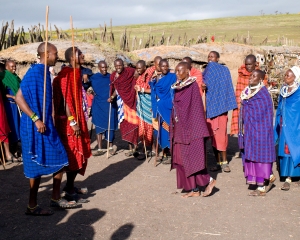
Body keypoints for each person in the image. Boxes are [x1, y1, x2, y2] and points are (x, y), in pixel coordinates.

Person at [15, 42, 77, 215]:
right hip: (33, 126)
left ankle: (55, 198)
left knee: (61, 159)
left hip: (46, 125)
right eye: (55, 53)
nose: (57, 56)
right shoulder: (35, 72)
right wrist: (36, 119)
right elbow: (19, 98)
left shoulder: (44, 73)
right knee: (35, 167)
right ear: (46, 54)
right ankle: (32, 206)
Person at [170, 62, 216, 197]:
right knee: (181, 158)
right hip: (180, 127)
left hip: (192, 128)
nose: (178, 74)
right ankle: (194, 189)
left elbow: (195, 109)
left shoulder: (192, 87)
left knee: (193, 158)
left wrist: (190, 128)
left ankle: (209, 180)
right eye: (176, 71)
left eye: (180, 71)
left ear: (187, 72)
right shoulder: (178, 87)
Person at [53, 47, 91, 203]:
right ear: (71, 58)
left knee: (79, 152)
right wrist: (73, 122)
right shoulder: (66, 75)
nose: (82, 55)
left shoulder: (76, 73)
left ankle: (70, 185)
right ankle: (68, 189)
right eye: (79, 53)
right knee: (74, 153)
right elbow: (67, 100)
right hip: (69, 121)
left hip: (76, 118)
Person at [238, 70, 275, 196]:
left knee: (261, 156)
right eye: (251, 75)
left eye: (254, 76)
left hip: (261, 130)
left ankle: (263, 184)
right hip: (249, 130)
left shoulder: (263, 94)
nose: (250, 78)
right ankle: (255, 181)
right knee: (251, 154)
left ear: (260, 79)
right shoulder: (247, 92)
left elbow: (264, 113)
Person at [202, 51, 237, 172]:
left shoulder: (224, 70)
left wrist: (224, 103)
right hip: (210, 108)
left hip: (221, 108)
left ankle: (225, 162)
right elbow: (202, 84)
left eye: (212, 56)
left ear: (218, 59)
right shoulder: (206, 71)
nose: (210, 58)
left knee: (221, 136)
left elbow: (227, 87)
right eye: (209, 56)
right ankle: (218, 162)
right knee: (213, 136)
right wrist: (203, 87)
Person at [274, 66, 300, 191]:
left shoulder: (298, 92)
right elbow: (280, 106)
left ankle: (290, 177)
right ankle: (284, 172)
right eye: (285, 75)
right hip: (283, 124)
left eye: (288, 76)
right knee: (284, 149)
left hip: (295, 125)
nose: (285, 77)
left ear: (295, 77)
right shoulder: (283, 90)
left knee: (291, 149)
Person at [230, 54, 267, 135]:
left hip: (255, 108)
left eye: (250, 64)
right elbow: (238, 94)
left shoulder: (260, 75)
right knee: (243, 131)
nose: (248, 66)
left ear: (255, 64)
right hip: (243, 106)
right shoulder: (241, 75)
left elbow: (263, 94)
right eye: (246, 64)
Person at [109, 58, 139, 157]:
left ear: (123, 65)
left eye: (120, 65)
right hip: (122, 104)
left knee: (134, 125)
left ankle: (136, 148)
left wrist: (136, 76)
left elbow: (137, 72)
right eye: (116, 66)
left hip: (132, 102)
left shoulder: (129, 71)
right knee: (125, 125)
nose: (118, 67)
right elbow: (116, 89)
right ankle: (130, 149)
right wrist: (112, 97)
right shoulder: (114, 76)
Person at [149, 59, 176, 164]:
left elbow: (174, 92)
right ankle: (164, 153)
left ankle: (171, 154)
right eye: (162, 66)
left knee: (168, 130)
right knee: (160, 132)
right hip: (159, 109)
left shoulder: (172, 77)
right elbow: (153, 92)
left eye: (166, 66)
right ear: (159, 67)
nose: (164, 68)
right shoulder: (156, 78)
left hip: (168, 107)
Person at [90, 60, 118, 156]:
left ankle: (110, 147)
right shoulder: (94, 78)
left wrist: (112, 97)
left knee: (111, 125)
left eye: (106, 67)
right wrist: (85, 80)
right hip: (98, 105)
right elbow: (85, 85)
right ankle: (100, 148)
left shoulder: (111, 77)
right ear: (99, 68)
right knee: (98, 126)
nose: (104, 69)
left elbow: (117, 88)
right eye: (102, 67)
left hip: (110, 104)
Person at [134, 60, 155, 159]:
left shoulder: (150, 76)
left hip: (149, 106)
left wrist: (142, 90)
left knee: (149, 128)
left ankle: (147, 149)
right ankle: (144, 149)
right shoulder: (139, 77)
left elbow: (153, 90)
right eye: (137, 68)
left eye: (139, 68)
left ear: (144, 67)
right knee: (142, 129)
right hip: (142, 106)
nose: (138, 70)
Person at [0, 60, 21, 159]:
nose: (14, 68)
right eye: (12, 67)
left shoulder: (16, 77)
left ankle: (16, 148)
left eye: (15, 66)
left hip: (17, 105)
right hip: (8, 105)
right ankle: (11, 150)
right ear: (6, 67)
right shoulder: (2, 77)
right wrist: (13, 97)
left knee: (17, 126)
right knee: (11, 126)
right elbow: (2, 93)